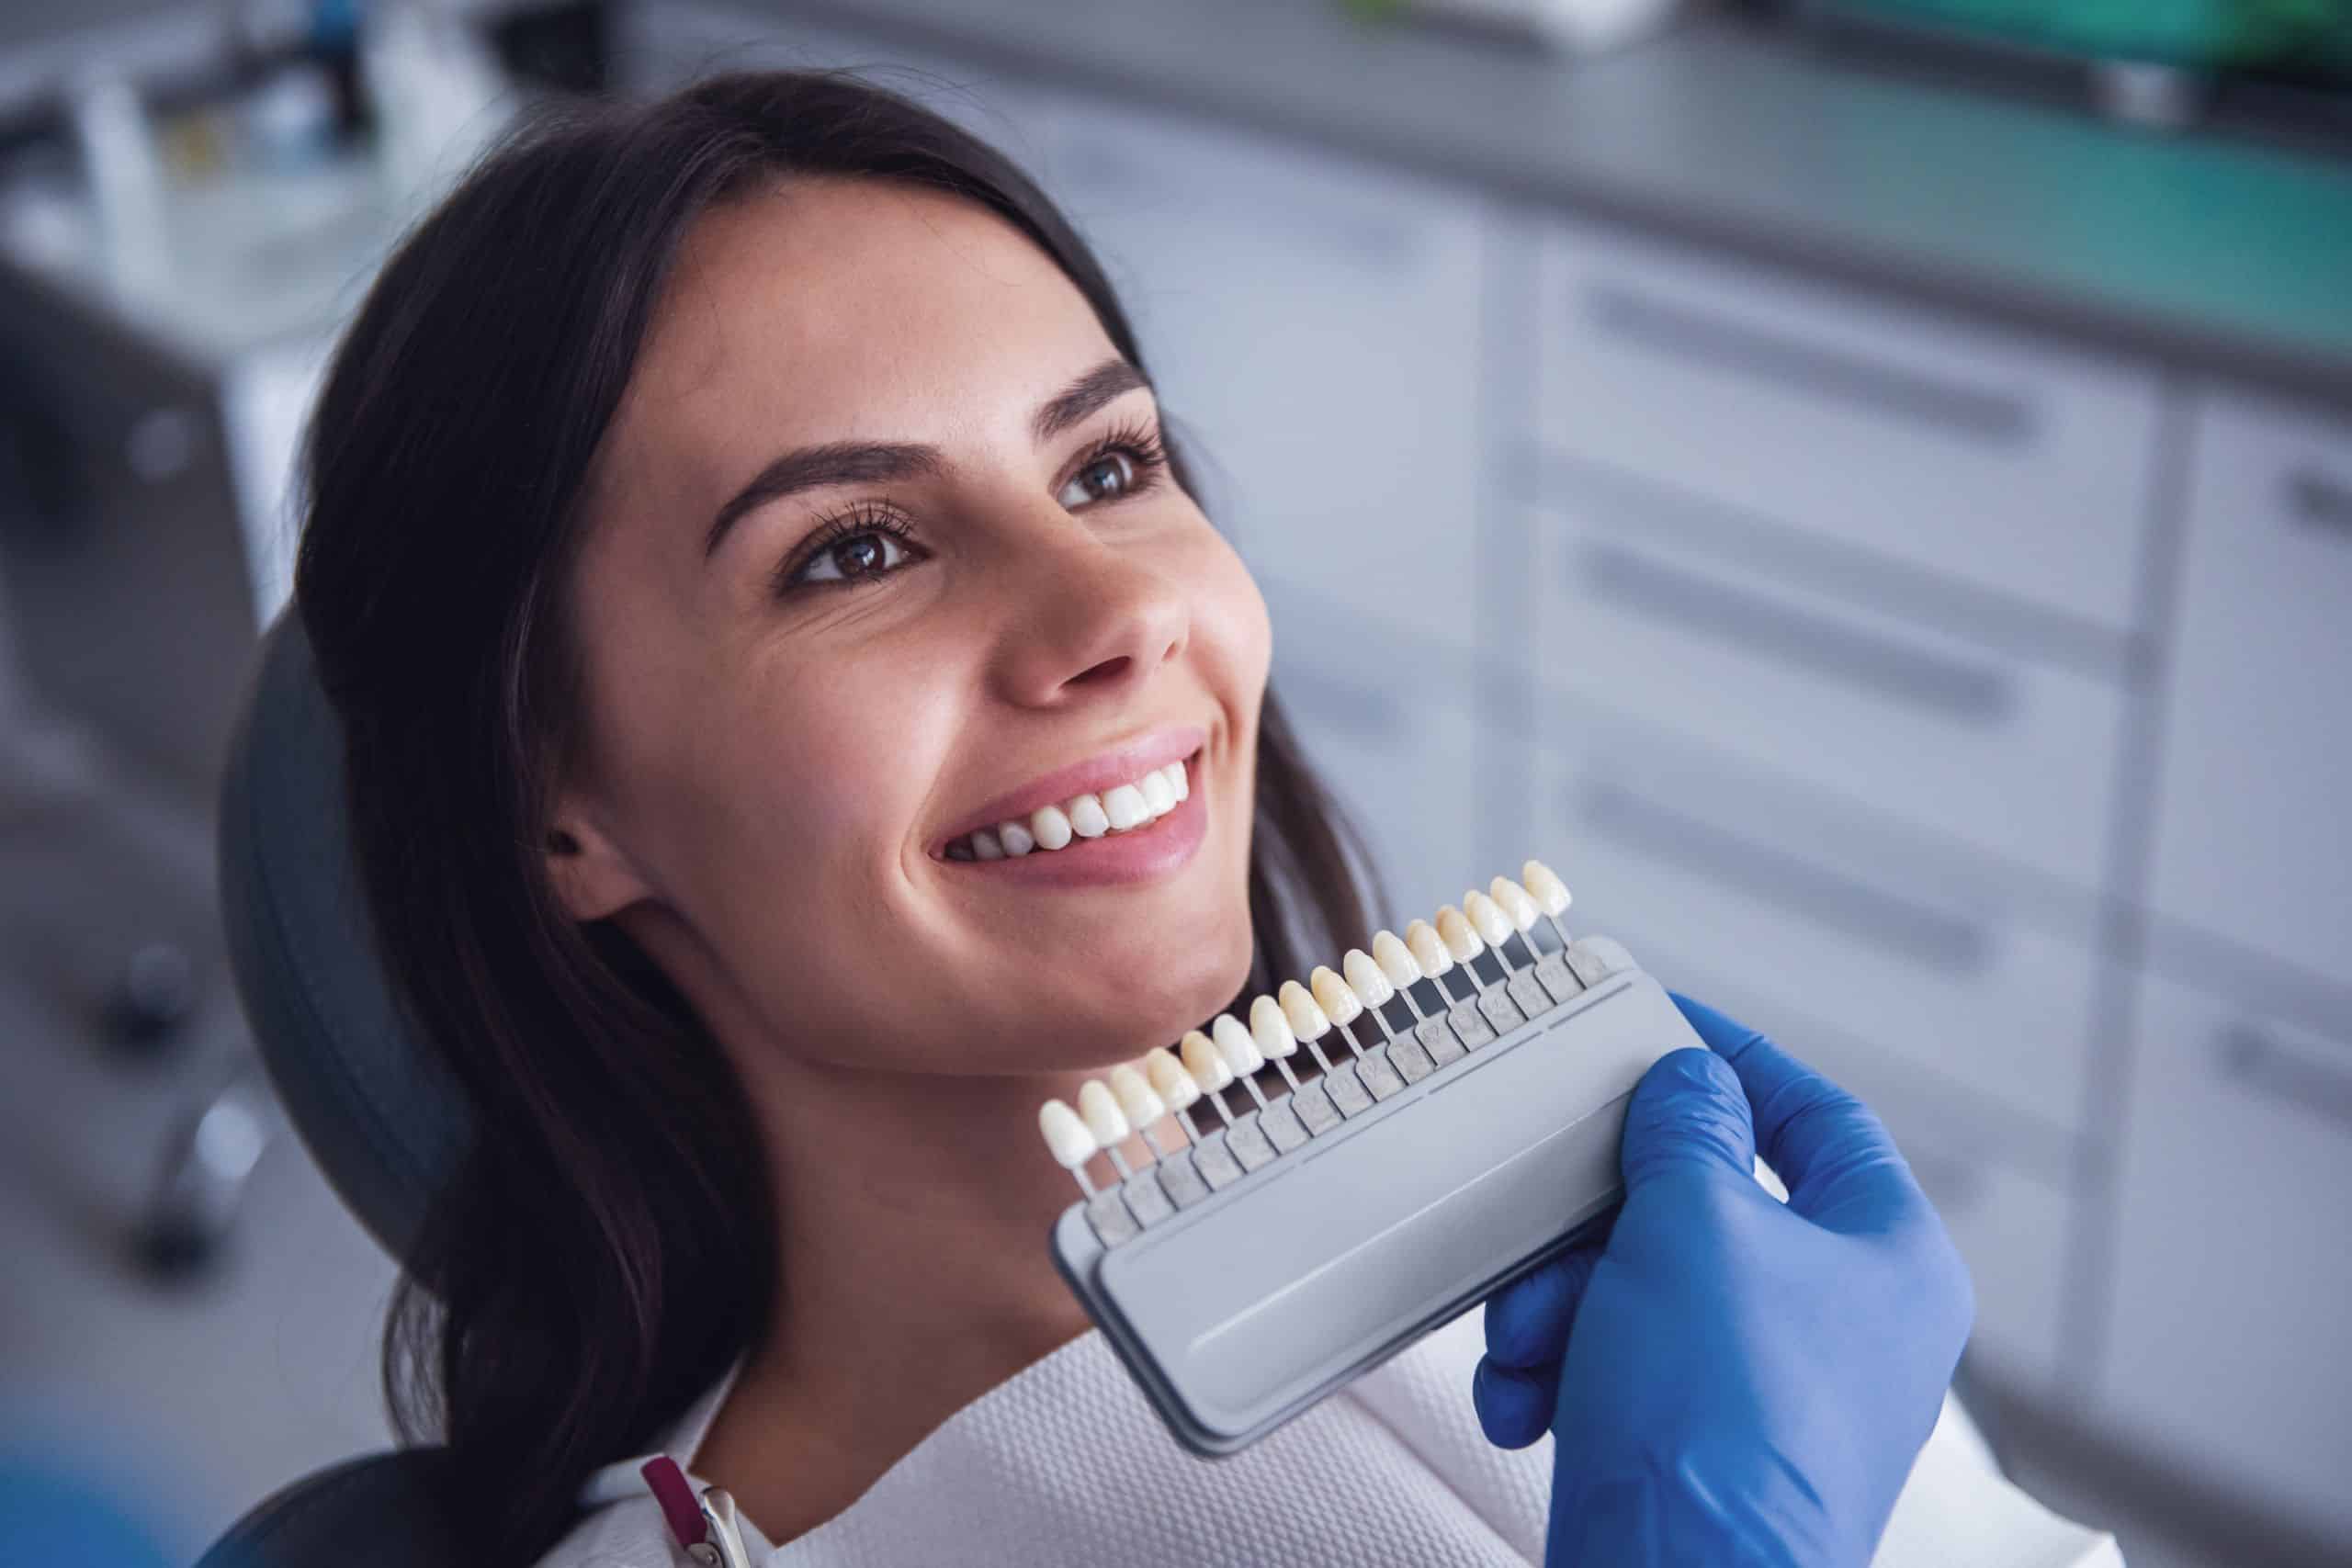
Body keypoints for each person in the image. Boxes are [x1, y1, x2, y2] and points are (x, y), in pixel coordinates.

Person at [291, 68, 2119, 1566]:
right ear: (566, 809)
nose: (1113, 614)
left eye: (1107, 466)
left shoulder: (1616, 1240)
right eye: (854, 550)